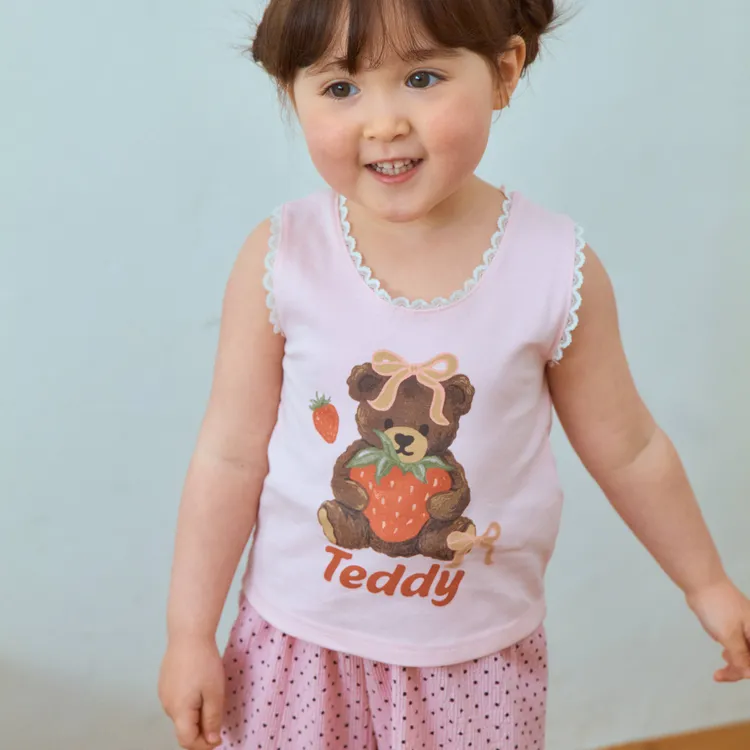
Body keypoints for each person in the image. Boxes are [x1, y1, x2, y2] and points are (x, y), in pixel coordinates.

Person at [158, 1, 750, 748]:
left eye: (422, 78)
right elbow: (229, 455)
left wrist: (707, 582)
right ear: (291, 94)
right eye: (341, 88)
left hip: (475, 665)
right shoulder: (282, 257)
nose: (383, 124)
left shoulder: (553, 268)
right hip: (298, 647)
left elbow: (629, 449)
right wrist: (189, 632)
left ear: (504, 72)